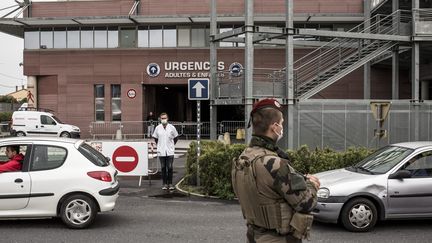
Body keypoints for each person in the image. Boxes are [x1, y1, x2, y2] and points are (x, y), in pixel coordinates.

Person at [232, 98, 320, 243]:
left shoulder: (244, 157)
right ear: (274, 126)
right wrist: (312, 184)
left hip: (253, 235)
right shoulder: (274, 164)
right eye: (282, 123)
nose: (282, 127)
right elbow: (306, 204)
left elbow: (264, 188)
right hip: (277, 239)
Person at [152, 112, 179, 190]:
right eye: (162, 118)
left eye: (165, 118)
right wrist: (159, 145)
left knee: (170, 168)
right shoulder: (158, 128)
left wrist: (172, 145)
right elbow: (156, 138)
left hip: (170, 151)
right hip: (161, 151)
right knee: (163, 168)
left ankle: (170, 184)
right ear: (160, 119)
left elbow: (176, 137)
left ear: (167, 119)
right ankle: (164, 184)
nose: (163, 119)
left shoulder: (172, 127)